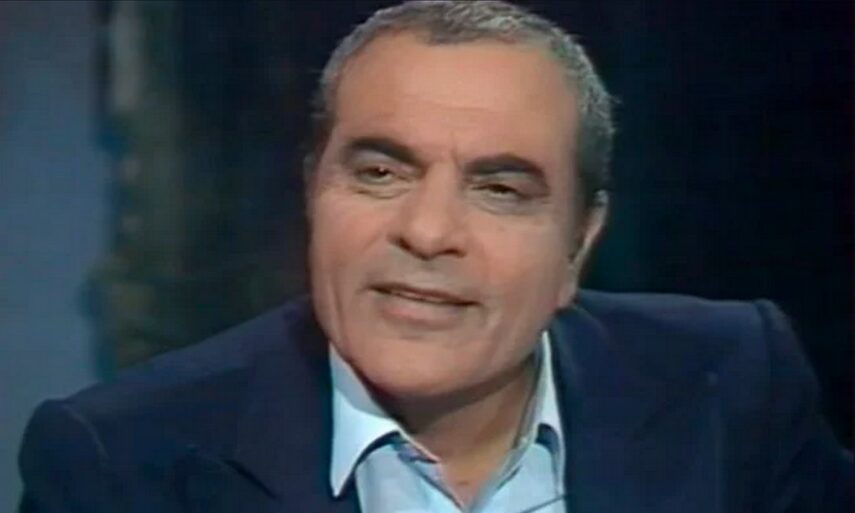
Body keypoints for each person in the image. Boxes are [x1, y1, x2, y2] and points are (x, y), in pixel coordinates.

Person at [18, 1, 851, 512]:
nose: (426, 231)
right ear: (313, 192)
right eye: (380, 173)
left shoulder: (732, 384)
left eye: (500, 189)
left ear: (578, 242)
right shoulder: (116, 467)